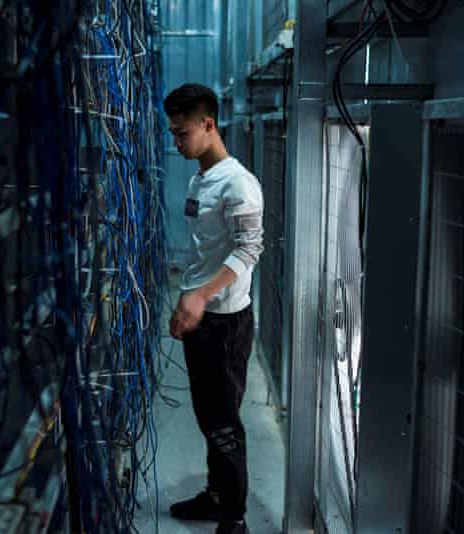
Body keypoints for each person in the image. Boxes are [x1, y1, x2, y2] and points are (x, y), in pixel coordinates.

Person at [163, 83, 264, 534]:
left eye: (182, 133)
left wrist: (202, 296)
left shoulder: (238, 184)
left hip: (225, 322)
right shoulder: (200, 178)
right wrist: (188, 296)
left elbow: (248, 251)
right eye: (173, 133)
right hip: (203, 317)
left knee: (223, 422)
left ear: (208, 124)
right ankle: (216, 495)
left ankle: (235, 518)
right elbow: (204, 253)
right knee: (208, 415)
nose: (176, 142)